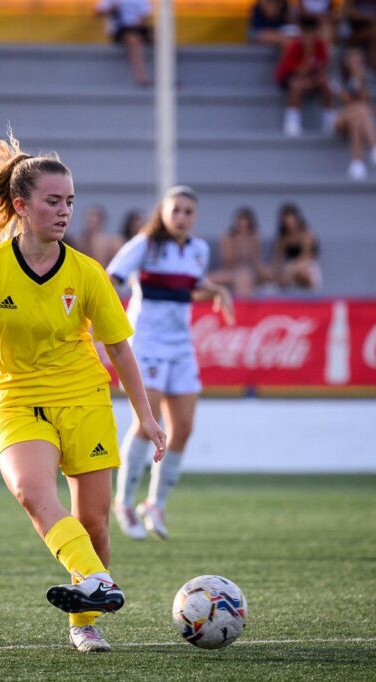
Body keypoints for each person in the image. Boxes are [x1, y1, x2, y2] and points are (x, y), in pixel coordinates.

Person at [0, 130, 166, 653]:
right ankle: (99, 583)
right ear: (22, 205)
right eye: (53, 201)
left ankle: (84, 621)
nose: (64, 210)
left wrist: (148, 416)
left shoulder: (88, 273)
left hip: (86, 399)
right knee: (31, 492)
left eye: (70, 201)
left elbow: (120, 351)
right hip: (21, 399)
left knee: (93, 521)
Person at [106, 186, 233, 542]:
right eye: (175, 210)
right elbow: (108, 282)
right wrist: (102, 331)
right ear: (162, 212)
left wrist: (218, 290)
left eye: (188, 212)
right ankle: (125, 502)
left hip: (181, 347)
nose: (181, 217)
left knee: (185, 428)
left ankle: (155, 504)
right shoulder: (144, 245)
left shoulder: (198, 250)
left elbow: (188, 287)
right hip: (145, 344)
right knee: (149, 424)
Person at [335, 48, 376, 179]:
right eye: (353, 61)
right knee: (358, 109)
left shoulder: (366, 78)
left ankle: (357, 162)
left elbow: (365, 100)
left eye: (359, 62)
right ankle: (375, 147)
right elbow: (347, 101)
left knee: (357, 117)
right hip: (339, 118)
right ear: (346, 62)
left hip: (356, 116)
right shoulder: (337, 78)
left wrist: (359, 79)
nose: (356, 64)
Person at [275, 15, 335, 137]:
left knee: (327, 84)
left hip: (311, 77)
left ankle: (329, 120)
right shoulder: (295, 46)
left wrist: (315, 80)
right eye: (306, 34)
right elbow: (299, 73)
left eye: (312, 33)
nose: (309, 37)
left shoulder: (321, 45)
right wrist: (308, 53)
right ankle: (292, 121)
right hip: (290, 76)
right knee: (297, 85)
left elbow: (323, 68)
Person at [211, 206, 268, 296]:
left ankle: (243, 306)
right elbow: (226, 262)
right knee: (208, 280)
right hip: (230, 271)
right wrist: (238, 249)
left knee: (244, 277)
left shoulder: (255, 237)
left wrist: (249, 251)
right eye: (240, 225)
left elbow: (257, 263)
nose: (243, 229)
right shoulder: (227, 237)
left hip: (249, 271)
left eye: (246, 226)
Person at [96, 0, 153, 86]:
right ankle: (141, 76)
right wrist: (112, 9)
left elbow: (144, 15)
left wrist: (139, 22)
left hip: (138, 27)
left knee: (159, 37)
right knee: (133, 39)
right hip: (121, 29)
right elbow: (98, 12)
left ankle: (167, 73)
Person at [271, 203, 322, 290]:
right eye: (285, 219)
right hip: (289, 270)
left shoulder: (306, 234)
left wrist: (292, 269)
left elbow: (307, 257)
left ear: (297, 218)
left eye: (290, 218)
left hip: (308, 267)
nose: (288, 222)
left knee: (299, 273)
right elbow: (277, 259)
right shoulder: (283, 239)